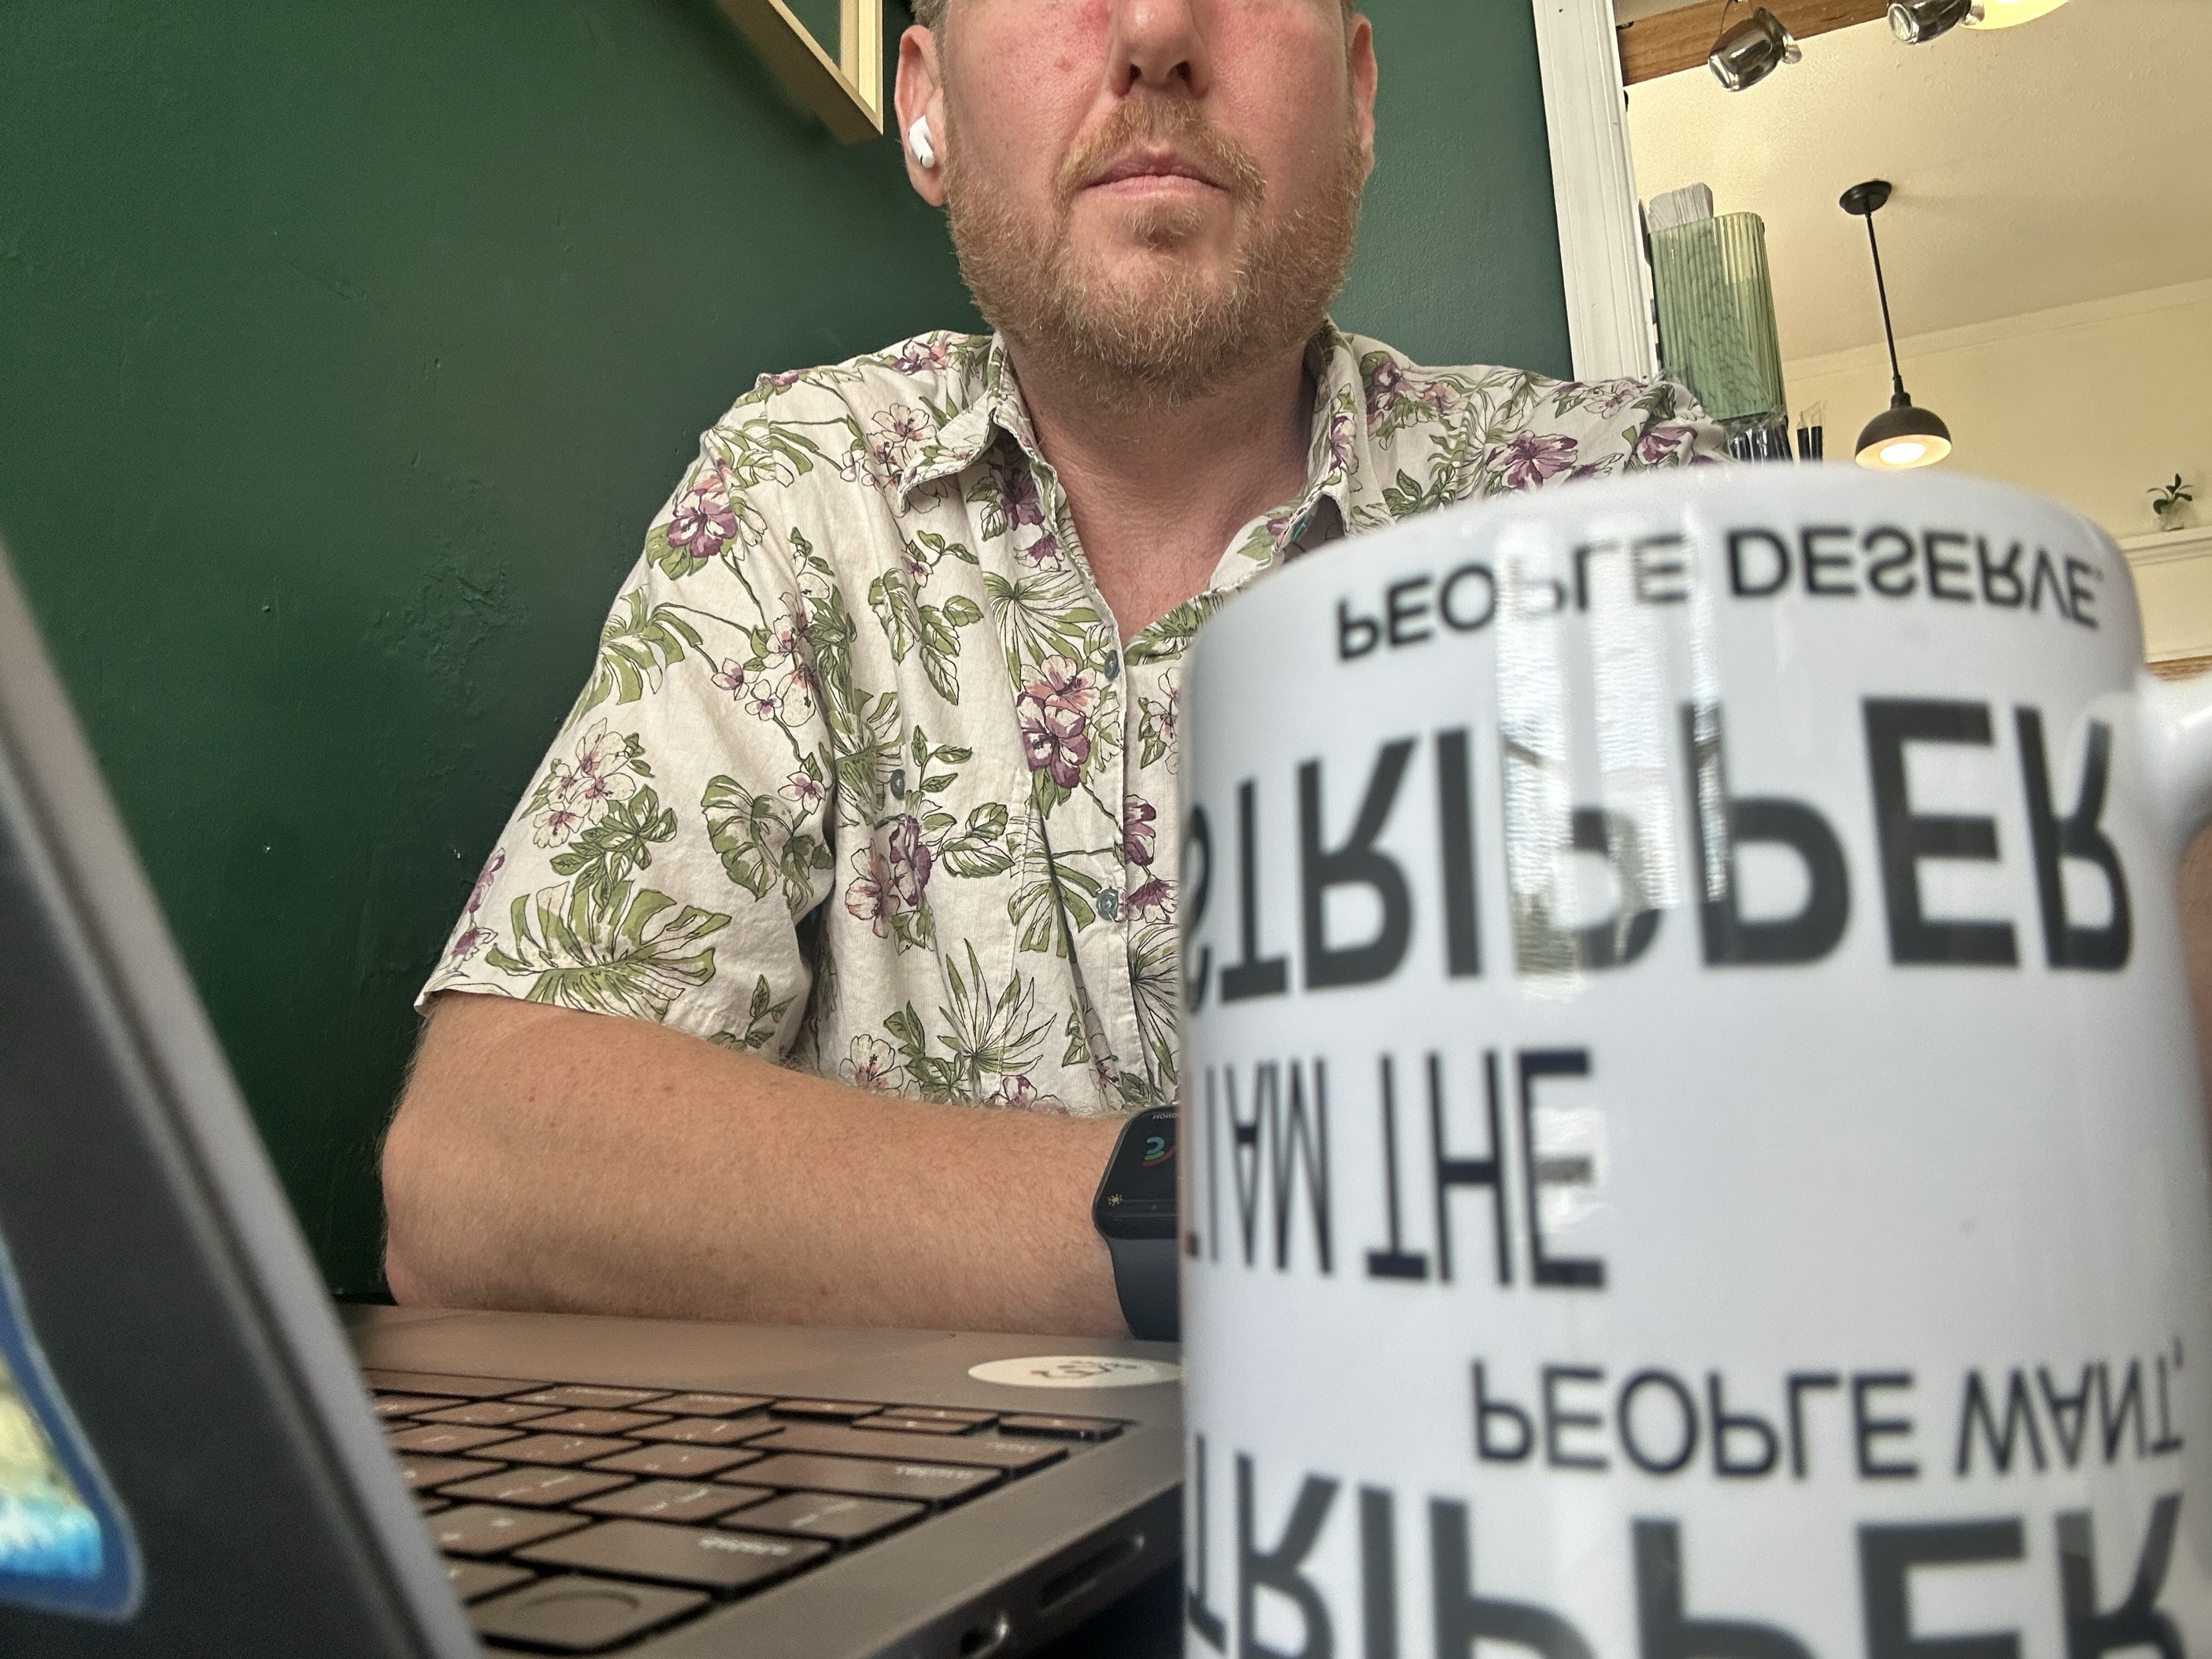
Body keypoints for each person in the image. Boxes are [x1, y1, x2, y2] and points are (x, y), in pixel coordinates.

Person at [379, 0, 1722, 1336]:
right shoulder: (798, 487)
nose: (1152, 29)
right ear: (930, 109)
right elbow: (477, 1174)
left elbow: (1823, 1149)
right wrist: (1250, 1220)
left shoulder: (1626, 510)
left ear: (1358, 98)